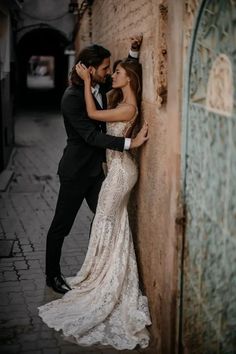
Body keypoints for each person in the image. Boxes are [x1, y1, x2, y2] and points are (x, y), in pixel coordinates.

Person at [39, 56, 151, 350]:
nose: (109, 73)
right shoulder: (73, 97)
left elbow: (124, 95)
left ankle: (104, 276)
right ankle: (53, 276)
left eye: (115, 70)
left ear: (128, 77)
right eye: (106, 69)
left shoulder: (119, 99)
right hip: (79, 172)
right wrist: (130, 143)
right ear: (90, 69)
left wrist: (129, 62)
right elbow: (90, 132)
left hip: (110, 173)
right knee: (67, 224)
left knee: (104, 220)